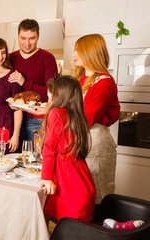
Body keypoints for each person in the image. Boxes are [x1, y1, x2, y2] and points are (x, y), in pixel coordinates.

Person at [40, 76, 96, 222]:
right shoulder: (78, 116)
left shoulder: (56, 113)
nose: (48, 101)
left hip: (67, 184)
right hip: (82, 181)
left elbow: (48, 149)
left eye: (50, 97)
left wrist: (46, 178)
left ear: (59, 96)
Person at [72, 34, 120, 203]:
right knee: (80, 196)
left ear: (90, 52)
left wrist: (53, 114)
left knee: (98, 196)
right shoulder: (78, 80)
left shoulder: (105, 82)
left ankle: (99, 230)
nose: (74, 54)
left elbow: (85, 118)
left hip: (96, 144)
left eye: (78, 50)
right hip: (78, 141)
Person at [8, 18, 58, 143]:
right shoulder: (10, 58)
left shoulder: (48, 58)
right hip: (12, 119)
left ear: (38, 36)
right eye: (23, 38)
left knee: (35, 159)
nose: (27, 43)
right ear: (17, 36)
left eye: (32, 38)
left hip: (37, 120)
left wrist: (24, 83)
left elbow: (52, 92)